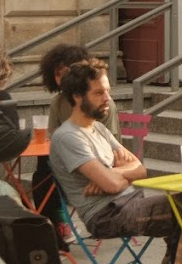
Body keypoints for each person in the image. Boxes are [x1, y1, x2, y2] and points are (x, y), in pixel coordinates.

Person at [49, 61, 182, 264]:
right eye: (99, 93)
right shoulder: (68, 136)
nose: (107, 99)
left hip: (130, 202)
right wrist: (115, 176)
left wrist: (113, 172)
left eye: (108, 91)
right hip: (106, 214)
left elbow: (141, 169)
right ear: (77, 96)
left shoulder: (99, 128)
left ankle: (175, 257)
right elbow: (113, 184)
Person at [34, 44, 119, 239]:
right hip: (69, 157)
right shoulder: (57, 103)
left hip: (99, 158)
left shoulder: (101, 102)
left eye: (66, 72)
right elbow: (54, 140)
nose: (61, 78)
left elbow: (111, 146)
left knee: (49, 174)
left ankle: (59, 225)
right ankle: (48, 227)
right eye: (56, 74)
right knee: (43, 172)